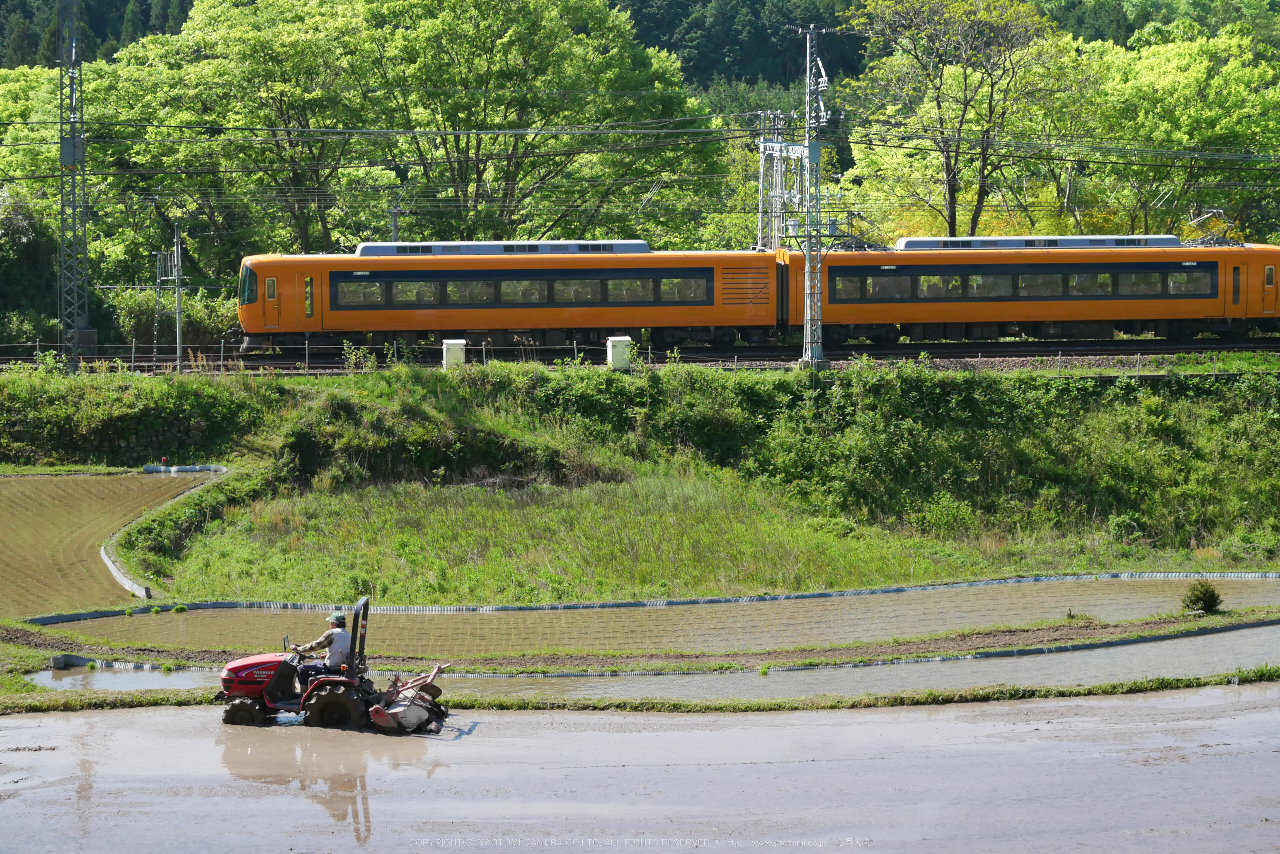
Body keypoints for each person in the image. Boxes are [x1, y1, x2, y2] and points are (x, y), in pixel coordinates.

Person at [292, 612, 352, 691]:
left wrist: (299, 648)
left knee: (301, 669)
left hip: (331, 668)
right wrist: (328, 654)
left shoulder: (332, 633)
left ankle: (302, 696)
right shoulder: (348, 635)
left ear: (333, 623)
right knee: (315, 662)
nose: (330, 625)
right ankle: (312, 688)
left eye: (330, 623)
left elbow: (316, 645)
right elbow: (342, 649)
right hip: (339, 667)